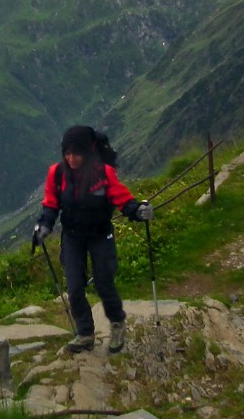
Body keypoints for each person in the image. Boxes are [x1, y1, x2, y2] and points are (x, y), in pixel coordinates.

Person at [32, 126, 153, 354]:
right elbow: (51, 203)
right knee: (75, 288)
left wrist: (138, 210)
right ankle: (85, 333)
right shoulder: (57, 173)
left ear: (88, 151)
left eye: (76, 153)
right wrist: (44, 225)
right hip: (73, 237)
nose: (71, 158)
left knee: (103, 282)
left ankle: (117, 324)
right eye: (67, 153)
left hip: (100, 235)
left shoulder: (104, 173)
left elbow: (123, 199)